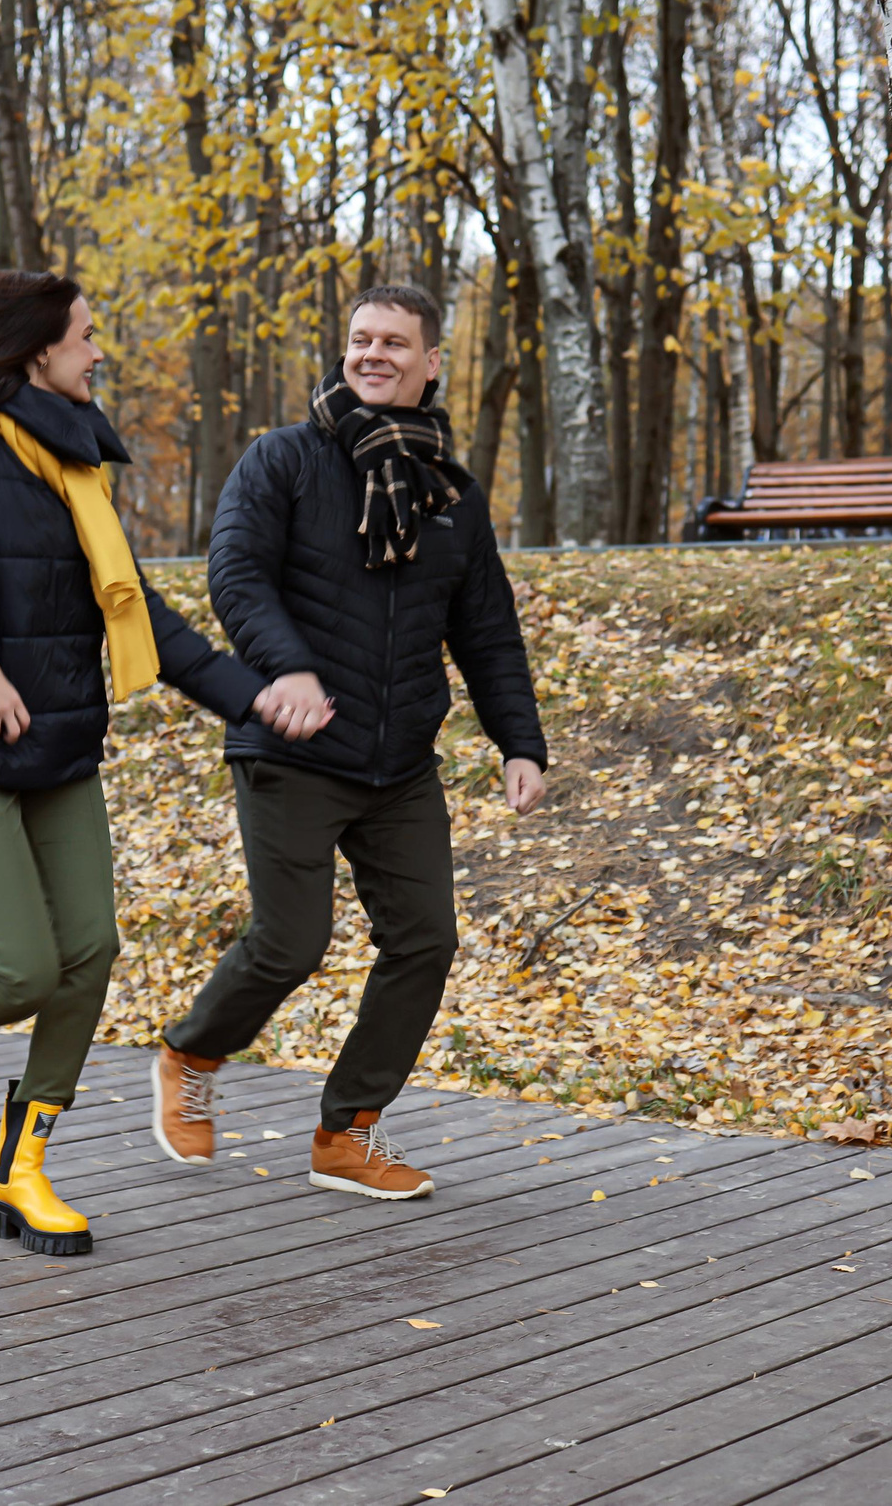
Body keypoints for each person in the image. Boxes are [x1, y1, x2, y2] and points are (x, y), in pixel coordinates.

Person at [0, 270, 318, 1256]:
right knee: (24, 967)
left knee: (88, 951)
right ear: (32, 351)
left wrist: (252, 695)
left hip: (54, 745)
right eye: (85, 337)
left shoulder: (74, 467)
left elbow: (141, 613)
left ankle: (23, 1169)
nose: (99, 353)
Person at [153, 285, 547, 1199]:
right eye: (362, 339)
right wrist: (285, 668)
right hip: (294, 747)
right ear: (345, 350)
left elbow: (487, 630)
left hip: (401, 759)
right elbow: (237, 574)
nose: (375, 354)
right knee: (292, 941)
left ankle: (347, 1131)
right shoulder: (283, 460)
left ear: (431, 361)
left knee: (426, 940)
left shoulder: (450, 491)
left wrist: (518, 741)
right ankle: (191, 1052)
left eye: (396, 342)